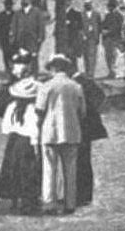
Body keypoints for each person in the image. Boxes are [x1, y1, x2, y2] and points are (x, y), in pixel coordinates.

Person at [35, 55, 85, 215]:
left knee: (49, 169)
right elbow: (82, 111)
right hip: (71, 131)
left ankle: (49, 202)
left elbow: (39, 110)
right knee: (70, 169)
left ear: (53, 68)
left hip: (50, 132)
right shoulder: (76, 86)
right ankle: (70, 203)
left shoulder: (46, 86)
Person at [0, 59, 42, 215]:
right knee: (30, 172)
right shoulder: (33, 110)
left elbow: (6, 127)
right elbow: (34, 130)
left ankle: (15, 200)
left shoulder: (12, 107)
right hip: (29, 143)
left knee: (14, 170)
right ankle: (30, 201)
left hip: (15, 142)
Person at [72, 68, 109, 209]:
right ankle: (85, 196)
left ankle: (74, 194)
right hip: (87, 128)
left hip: (75, 126)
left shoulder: (72, 84)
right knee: (84, 160)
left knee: (74, 161)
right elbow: (101, 99)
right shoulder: (88, 84)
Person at [14, 0, 45, 68]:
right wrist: (15, 38)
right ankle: (24, 75)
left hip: (33, 39)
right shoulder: (18, 13)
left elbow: (41, 26)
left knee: (33, 57)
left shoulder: (36, 12)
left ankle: (34, 75)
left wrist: (40, 37)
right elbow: (14, 26)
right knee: (22, 57)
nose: (25, 1)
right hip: (21, 39)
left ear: (30, 0)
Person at [0, 0, 17, 64]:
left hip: (13, 38)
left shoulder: (15, 15)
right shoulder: (1, 15)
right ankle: (7, 68)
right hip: (4, 37)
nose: (8, 6)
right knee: (5, 53)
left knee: (13, 53)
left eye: (10, 5)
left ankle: (13, 68)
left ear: (12, 6)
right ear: (5, 5)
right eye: (7, 5)